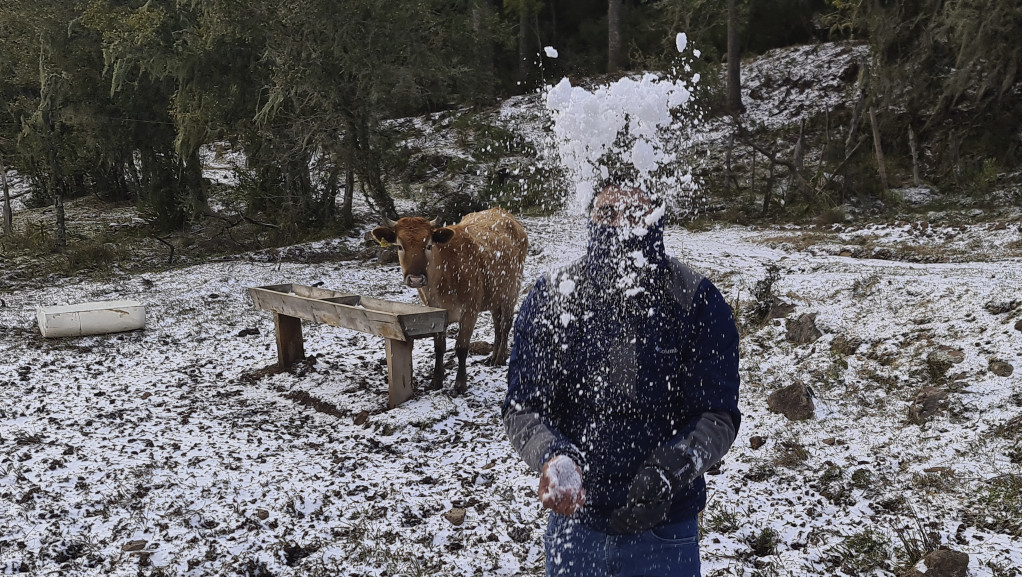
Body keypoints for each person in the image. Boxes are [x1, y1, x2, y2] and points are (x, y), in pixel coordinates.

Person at [502, 183, 741, 577]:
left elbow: (717, 414)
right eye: (608, 212)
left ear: (657, 214)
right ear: (590, 215)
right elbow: (523, 407)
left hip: (666, 532)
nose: (621, 225)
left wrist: (674, 467)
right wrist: (553, 456)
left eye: (635, 213)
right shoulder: (550, 297)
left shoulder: (696, 300)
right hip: (575, 528)